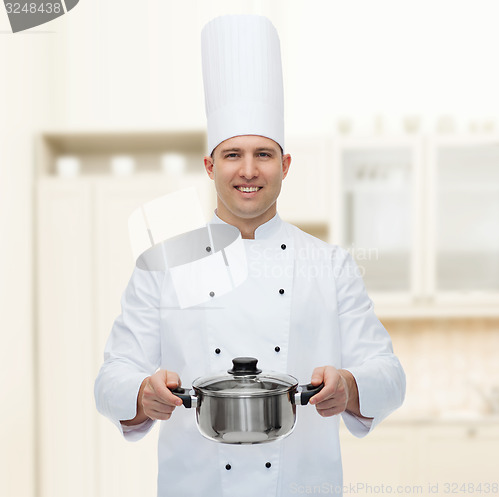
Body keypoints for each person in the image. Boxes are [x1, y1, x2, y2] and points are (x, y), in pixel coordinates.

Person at [94, 14, 405, 497]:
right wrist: (140, 394)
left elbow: (389, 373)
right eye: (232, 154)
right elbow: (111, 376)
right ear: (209, 165)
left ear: (284, 165)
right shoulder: (162, 264)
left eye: (263, 154)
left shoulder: (330, 264)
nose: (248, 170)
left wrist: (350, 385)